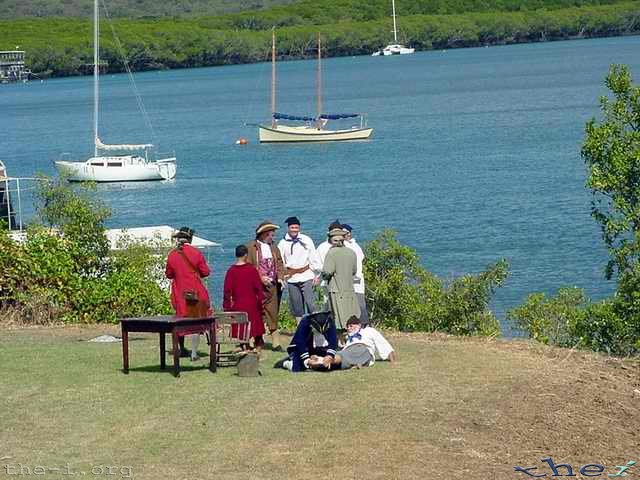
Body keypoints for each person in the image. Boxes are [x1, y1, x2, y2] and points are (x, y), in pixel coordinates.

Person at [165, 226, 212, 361]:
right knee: (195, 322)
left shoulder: (172, 255)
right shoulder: (196, 253)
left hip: (179, 292)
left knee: (181, 320)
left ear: (178, 239)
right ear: (190, 239)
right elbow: (205, 272)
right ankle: (194, 353)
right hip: (195, 291)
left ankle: (182, 348)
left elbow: (169, 274)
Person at [246, 220, 286, 350]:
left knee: (272, 312)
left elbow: (279, 263)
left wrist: (280, 277)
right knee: (256, 313)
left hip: (272, 286)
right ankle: (254, 340)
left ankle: (276, 342)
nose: (272, 237)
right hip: (256, 287)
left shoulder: (274, 247)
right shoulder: (251, 247)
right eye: (270, 234)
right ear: (263, 234)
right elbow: (249, 267)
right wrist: (260, 278)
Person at [308, 316, 396, 370]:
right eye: (347, 327)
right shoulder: (346, 337)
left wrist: (392, 360)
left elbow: (382, 343)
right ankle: (318, 362)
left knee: (343, 356)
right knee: (338, 359)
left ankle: (320, 360)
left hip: (363, 349)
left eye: (351, 326)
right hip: (348, 352)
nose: (349, 328)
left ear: (359, 325)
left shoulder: (369, 331)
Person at [277, 216, 321, 325]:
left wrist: (317, 274)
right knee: (297, 307)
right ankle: (300, 328)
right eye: (292, 227)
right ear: (288, 228)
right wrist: (282, 276)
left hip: (307, 276)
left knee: (311, 304)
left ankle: (316, 326)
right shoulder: (282, 243)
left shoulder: (306, 240)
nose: (294, 230)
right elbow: (280, 261)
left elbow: (313, 257)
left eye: (296, 227)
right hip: (292, 278)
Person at [223, 244, 265, 352]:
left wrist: (227, 307)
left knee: (241, 326)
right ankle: (257, 346)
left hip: (238, 304)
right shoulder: (251, 270)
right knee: (256, 325)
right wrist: (261, 301)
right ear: (246, 255)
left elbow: (227, 291)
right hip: (252, 303)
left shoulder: (231, 271)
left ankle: (244, 346)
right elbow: (258, 288)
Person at [321, 227, 360, 331]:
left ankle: (340, 341)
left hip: (336, 289)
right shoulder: (351, 252)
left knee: (338, 317)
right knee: (350, 314)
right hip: (349, 289)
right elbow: (354, 271)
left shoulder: (331, 253)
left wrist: (323, 275)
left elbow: (327, 272)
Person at [343, 223, 369, 326]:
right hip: (347, 280)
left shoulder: (355, 245)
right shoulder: (343, 246)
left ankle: (364, 325)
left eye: (349, 233)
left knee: (360, 303)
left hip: (358, 279)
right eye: (345, 233)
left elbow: (361, 258)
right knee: (349, 305)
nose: (347, 235)